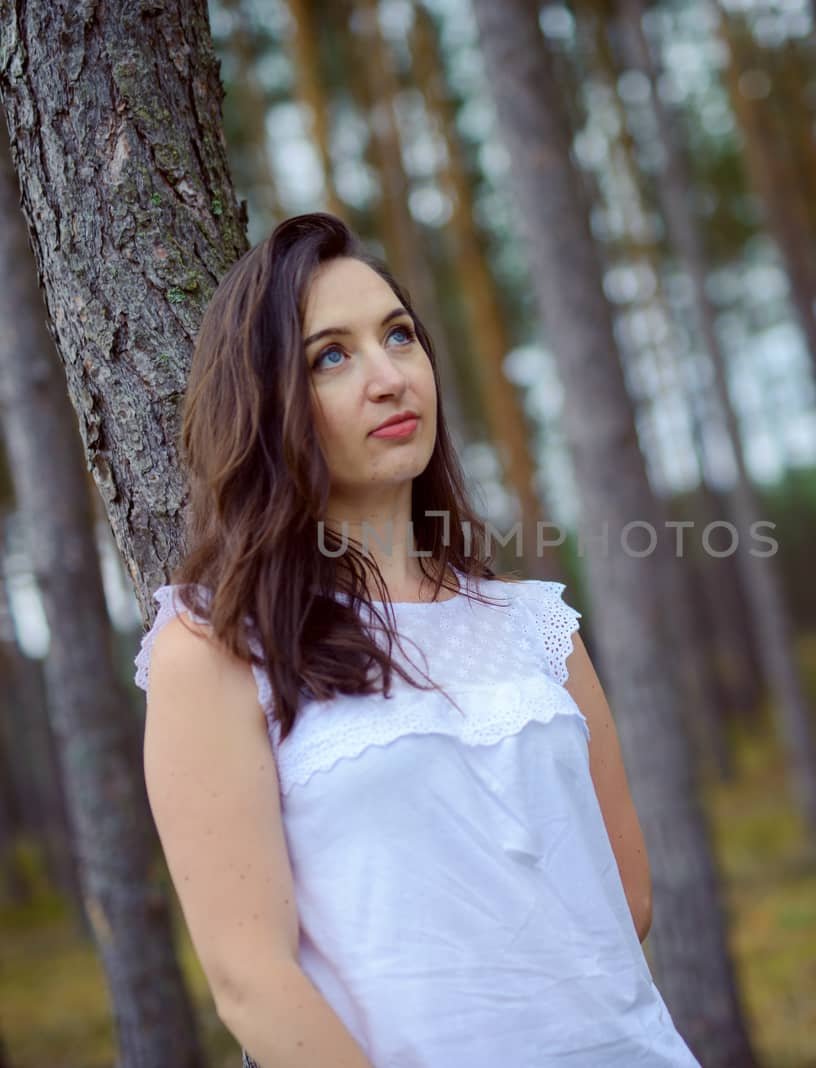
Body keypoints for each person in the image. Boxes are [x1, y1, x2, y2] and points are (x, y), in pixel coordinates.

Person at [133, 212, 702, 1067]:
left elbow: (627, 894)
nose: (389, 377)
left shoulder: (536, 625)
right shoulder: (216, 650)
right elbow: (252, 980)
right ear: (265, 400)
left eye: (399, 337)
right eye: (333, 355)